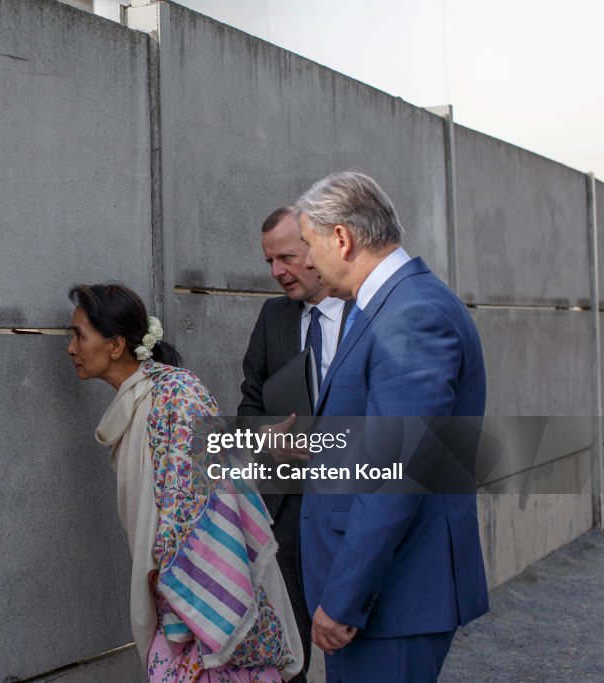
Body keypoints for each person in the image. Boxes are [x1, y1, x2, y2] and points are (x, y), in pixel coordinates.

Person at [295, 172, 489, 682]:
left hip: (389, 599)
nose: (306, 262)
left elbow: (393, 475)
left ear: (342, 238)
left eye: (308, 246)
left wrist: (343, 600)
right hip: (384, 597)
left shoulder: (411, 315)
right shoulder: (390, 307)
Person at [67, 283, 303, 682]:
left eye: (79, 335)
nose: (71, 348)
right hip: (171, 593)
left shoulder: (176, 392)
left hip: (196, 595)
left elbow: (201, 491)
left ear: (115, 345)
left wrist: (169, 579)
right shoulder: (138, 400)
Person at [238, 206, 352, 683]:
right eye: (268, 261)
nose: (275, 272)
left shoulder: (366, 313)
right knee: (288, 653)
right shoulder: (272, 316)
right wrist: (265, 440)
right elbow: (248, 404)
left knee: (352, 639)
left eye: (285, 257)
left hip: (353, 505)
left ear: (318, 247)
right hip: (284, 514)